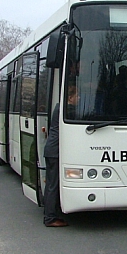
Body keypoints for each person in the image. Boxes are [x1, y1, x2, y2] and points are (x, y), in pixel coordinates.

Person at [43, 86, 78, 227]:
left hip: (53, 150)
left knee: (53, 184)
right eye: (77, 96)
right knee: (52, 185)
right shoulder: (66, 109)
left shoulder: (60, 107)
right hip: (55, 151)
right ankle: (50, 218)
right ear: (69, 98)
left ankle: (53, 214)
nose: (79, 99)